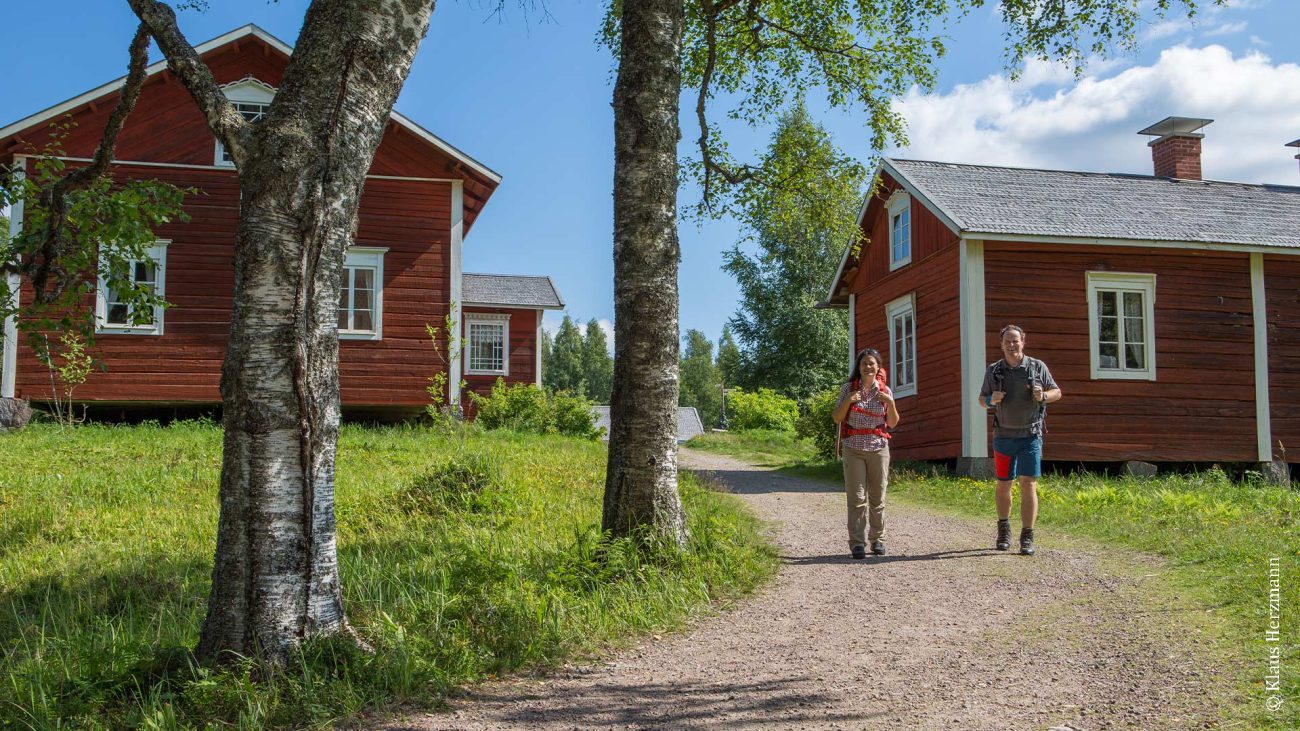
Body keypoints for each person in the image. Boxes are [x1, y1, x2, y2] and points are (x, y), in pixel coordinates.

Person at [979, 325, 1062, 556]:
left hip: (1030, 436)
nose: (1012, 345)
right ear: (1001, 344)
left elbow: (1057, 392)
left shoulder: (1037, 367)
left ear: (1023, 342)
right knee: (1004, 484)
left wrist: (1043, 396)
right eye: (1008, 341)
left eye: (1016, 341)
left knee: (1029, 484)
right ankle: (1004, 529)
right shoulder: (994, 370)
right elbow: (980, 400)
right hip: (1004, 436)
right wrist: (990, 399)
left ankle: (1027, 535)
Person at [833, 348, 900, 560]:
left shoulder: (885, 391)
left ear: (878, 367)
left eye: (872, 363)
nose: (868, 367)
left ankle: (878, 539)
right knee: (857, 498)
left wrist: (890, 403)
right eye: (864, 364)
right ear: (859, 368)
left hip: (879, 447)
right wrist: (849, 400)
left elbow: (892, 423)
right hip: (853, 448)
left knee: (878, 496)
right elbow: (836, 417)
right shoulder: (849, 389)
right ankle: (857, 543)